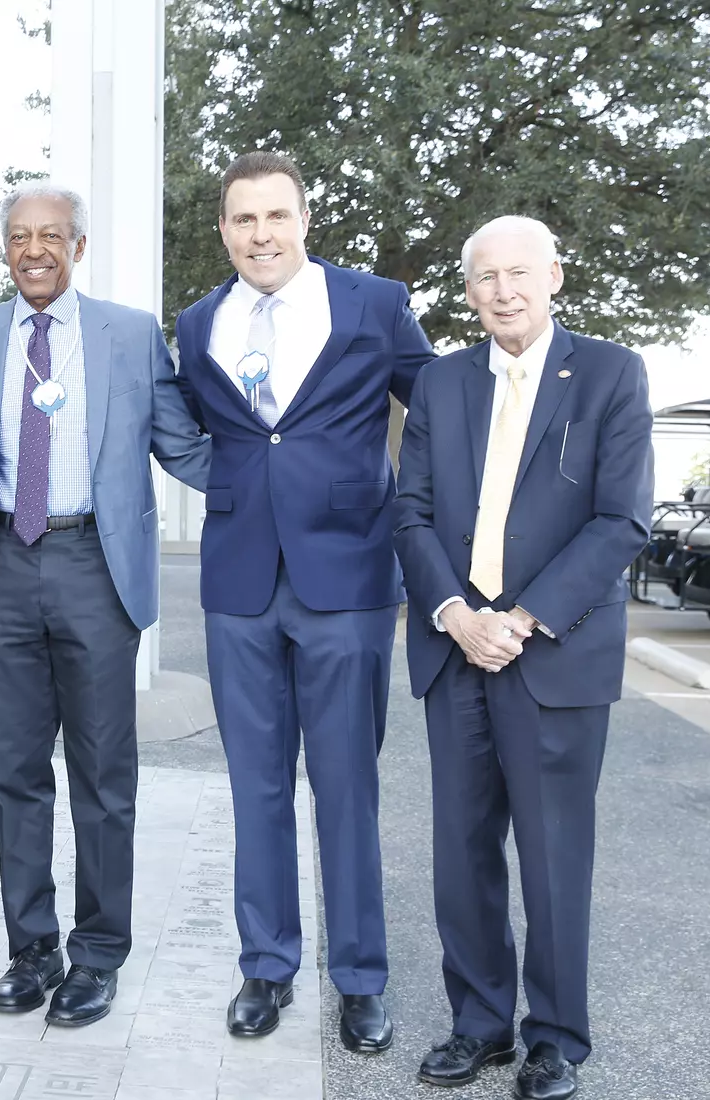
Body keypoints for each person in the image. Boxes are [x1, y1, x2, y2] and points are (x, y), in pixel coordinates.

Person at [171, 151, 434, 1046]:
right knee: (256, 790)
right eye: (244, 221)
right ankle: (266, 967)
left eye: (276, 216)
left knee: (347, 788)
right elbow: (210, 430)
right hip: (239, 584)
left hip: (350, 580)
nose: (261, 234)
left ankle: (360, 977)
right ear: (224, 231)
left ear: (304, 219)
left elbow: (438, 415)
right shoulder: (200, 319)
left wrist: (416, 521)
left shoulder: (375, 303)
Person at [393, 216, 653, 1100]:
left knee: (552, 854)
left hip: (556, 653)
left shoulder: (612, 373)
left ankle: (555, 1037)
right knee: (462, 851)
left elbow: (622, 520)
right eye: (485, 278)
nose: (503, 291)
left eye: (519, 274)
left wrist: (525, 617)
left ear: (554, 276)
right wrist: (458, 614)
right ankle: (479, 1025)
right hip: (455, 645)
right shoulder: (440, 383)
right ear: (467, 291)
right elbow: (410, 512)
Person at [0, 183, 211, 1027]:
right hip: (4, 564)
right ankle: (33, 950)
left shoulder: (130, 334)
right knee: (14, 771)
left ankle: (98, 955)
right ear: (4, 248)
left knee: (103, 777)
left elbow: (183, 447)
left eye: (52, 236)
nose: (34, 250)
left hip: (95, 563)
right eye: (20, 236)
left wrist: (287, 474)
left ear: (79, 247)